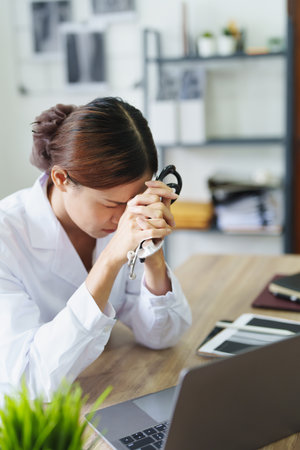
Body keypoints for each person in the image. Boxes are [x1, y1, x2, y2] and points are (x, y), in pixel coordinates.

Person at [0, 97, 192, 402]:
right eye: (112, 204)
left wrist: (152, 253)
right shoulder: (6, 237)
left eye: (133, 204)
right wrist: (111, 258)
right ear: (61, 178)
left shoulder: (122, 224)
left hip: (106, 388)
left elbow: (162, 336)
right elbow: (29, 379)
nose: (123, 219)